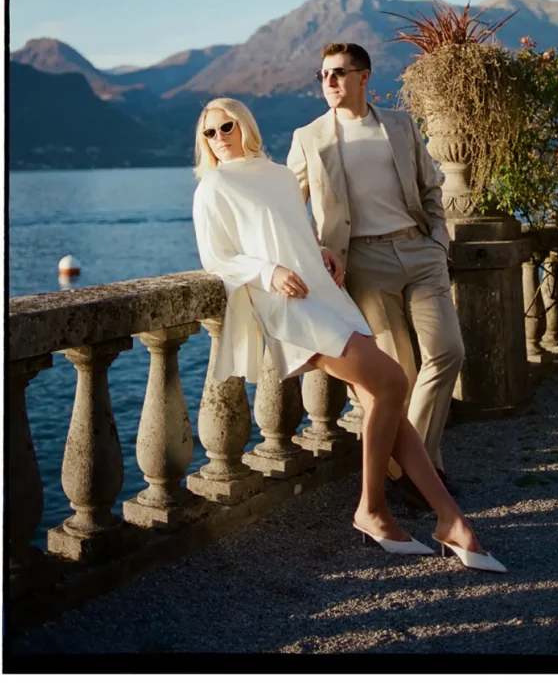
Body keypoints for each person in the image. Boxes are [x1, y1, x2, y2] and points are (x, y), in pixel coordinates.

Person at [192, 96, 506, 572]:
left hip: (325, 293)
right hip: (289, 305)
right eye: (209, 133)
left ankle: (449, 521)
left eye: (226, 126)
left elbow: (293, 229)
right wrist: (268, 271)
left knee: (388, 405)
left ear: (245, 125)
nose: (219, 138)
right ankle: (373, 509)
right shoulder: (213, 186)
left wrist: (320, 249)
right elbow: (217, 258)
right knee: (394, 382)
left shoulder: (275, 174)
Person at [287, 42, 465, 508]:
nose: (329, 81)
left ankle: (408, 465)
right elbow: (289, 209)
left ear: (364, 78)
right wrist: (310, 252)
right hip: (363, 265)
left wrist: (437, 242)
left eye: (339, 73)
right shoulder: (309, 137)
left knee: (448, 352)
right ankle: (427, 474)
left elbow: (431, 186)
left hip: (419, 251)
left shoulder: (401, 125)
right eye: (323, 74)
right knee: (399, 372)